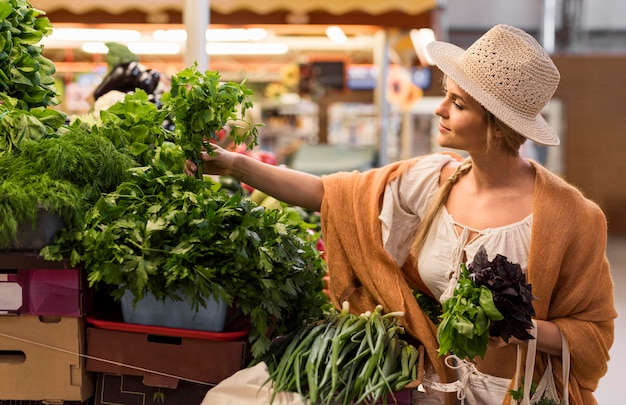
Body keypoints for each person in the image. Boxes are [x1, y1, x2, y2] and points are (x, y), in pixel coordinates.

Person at [187, 24, 616, 405]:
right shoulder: (432, 180)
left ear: (497, 125)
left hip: (514, 395)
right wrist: (235, 164)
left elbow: (593, 334)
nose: (439, 109)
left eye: (458, 103)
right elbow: (328, 193)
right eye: (445, 95)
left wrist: (520, 326)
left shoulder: (571, 218)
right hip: (427, 390)